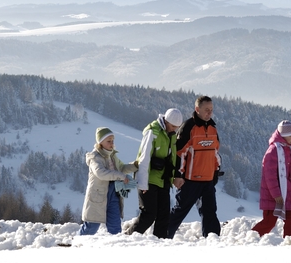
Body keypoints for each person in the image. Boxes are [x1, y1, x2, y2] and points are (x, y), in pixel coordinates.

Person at [167, 95, 221, 238]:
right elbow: (179, 154)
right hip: (190, 181)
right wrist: (178, 176)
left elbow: (215, 153)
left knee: (210, 213)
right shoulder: (188, 127)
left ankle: (213, 241)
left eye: (211, 110)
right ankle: (162, 237)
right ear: (197, 109)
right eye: (206, 110)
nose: (209, 113)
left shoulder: (213, 128)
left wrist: (216, 171)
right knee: (179, 212)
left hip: (208, 181)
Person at [124, 108, 183, 238]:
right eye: (173, 126)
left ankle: (159, 244)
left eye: (177, 127)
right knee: (149, 215)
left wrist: (174, 176)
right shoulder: (153, 132)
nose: (174, 129)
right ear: (166, 121)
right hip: (149, 180)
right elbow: (143, 159)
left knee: (163, 216)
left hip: (163, 180)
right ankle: (127, 238)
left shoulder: (171, 134)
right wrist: (143, 184)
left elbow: (173, 157)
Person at [251, 120, 291, 238]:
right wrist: (276, 194)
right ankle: (251, 237)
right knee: (269, 222)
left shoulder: (286, 149)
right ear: (284, 136)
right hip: (274, 195)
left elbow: (288, 173)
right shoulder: (273, 151)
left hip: (287, 193)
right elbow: (269, 176)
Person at [79, 126, 137, 235]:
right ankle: (78, 245)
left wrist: (135, 165)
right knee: (91, 227)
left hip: (113, 194)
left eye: (112, 141)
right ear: (100, 142)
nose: (112, 143)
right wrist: (120, 176)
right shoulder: (95, 157)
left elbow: (122, 169)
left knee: (115, 227)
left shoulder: (112, 155)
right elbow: (101, 173)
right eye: (108, 141)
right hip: (98, 195)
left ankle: (115, 248)